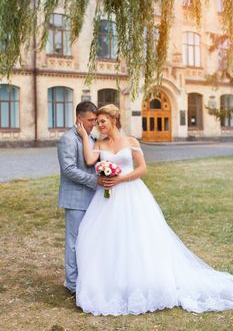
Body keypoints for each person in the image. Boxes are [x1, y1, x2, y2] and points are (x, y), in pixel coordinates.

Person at [75, 104, 233, 315]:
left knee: (138, 238)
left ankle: (144, 280)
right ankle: (114, 282)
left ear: (114, 120)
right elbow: (88, 160)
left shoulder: (130, 141)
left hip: (131, 193)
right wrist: (85, 136)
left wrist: (120, 178)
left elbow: (142, 168)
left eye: (102, 121)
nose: (99, 125)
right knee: (109, 238)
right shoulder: (99, 143)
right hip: (107, 199)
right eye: (97, 122)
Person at [57, 101, 107, 296]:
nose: (93, 124)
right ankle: (72, 283)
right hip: (75, 199)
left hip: (93, 199)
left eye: (95, 120)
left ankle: (86, 278)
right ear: (79, 118)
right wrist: (95, 181)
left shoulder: (92, 137)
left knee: (89, 240)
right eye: (90, 120)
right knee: (74, 241)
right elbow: (69, 170)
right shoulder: (68, 139)